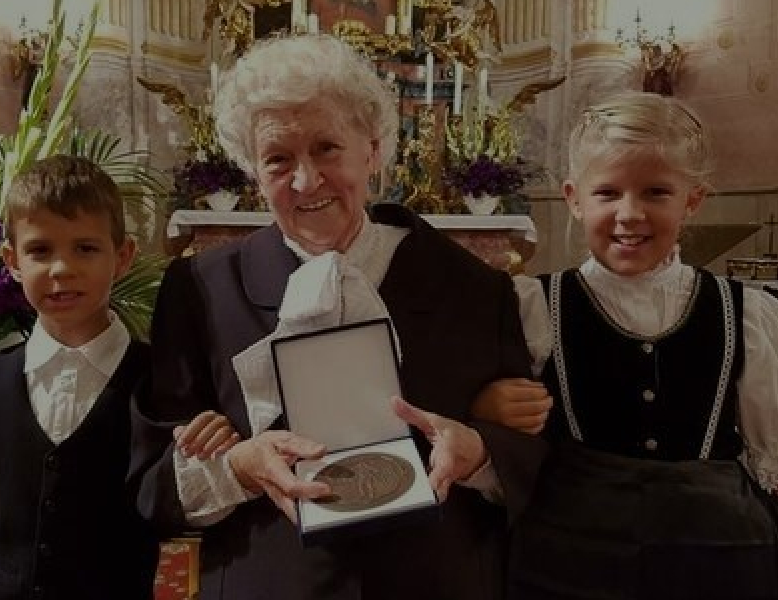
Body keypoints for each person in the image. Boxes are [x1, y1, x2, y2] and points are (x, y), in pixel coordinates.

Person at [129, 34, 546, 600]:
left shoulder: (477, 288)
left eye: (327, 148)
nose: (305, 181)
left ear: (372, 150)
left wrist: (479, 452)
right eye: (278, 159)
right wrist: (240, 467)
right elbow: (153, 488)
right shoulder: (201, 291)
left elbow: (531, 462)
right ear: (253, 172)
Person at [474, 91, 778, 599]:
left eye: (656, 192)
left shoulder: (746, 316)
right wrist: (486, 408)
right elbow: (488, 441)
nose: (630, 213)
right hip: (574, 562)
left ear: (692, 200)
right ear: (574, 199)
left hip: (718, 563)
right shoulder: (534, 308)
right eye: (608, 193)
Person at [0, 155, 238, 599]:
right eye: (40, 250)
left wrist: (214, 450)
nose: (62, 269)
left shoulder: (160, 381)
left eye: (85, 248)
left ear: (122, 257)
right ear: (11, 260)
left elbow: (189, 504)